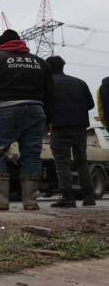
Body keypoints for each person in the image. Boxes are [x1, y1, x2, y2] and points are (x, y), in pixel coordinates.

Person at [0, 29, 54, 211]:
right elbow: (50, 93)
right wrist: (49, 119)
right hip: (36, 111)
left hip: (6, 110)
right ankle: (30, 202)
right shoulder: (39, 62)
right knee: (31, 155)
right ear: (20, 42)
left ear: (0, 44)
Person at [46, 56, 95, 207]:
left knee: (62, 163)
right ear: (63, 66)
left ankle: (68, 198)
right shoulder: (80, 82)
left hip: (60, 127)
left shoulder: (47, 85)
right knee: (82, 161)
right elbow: (90, 105)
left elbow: (44, 107)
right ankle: (89, 197)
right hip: (80, 127)